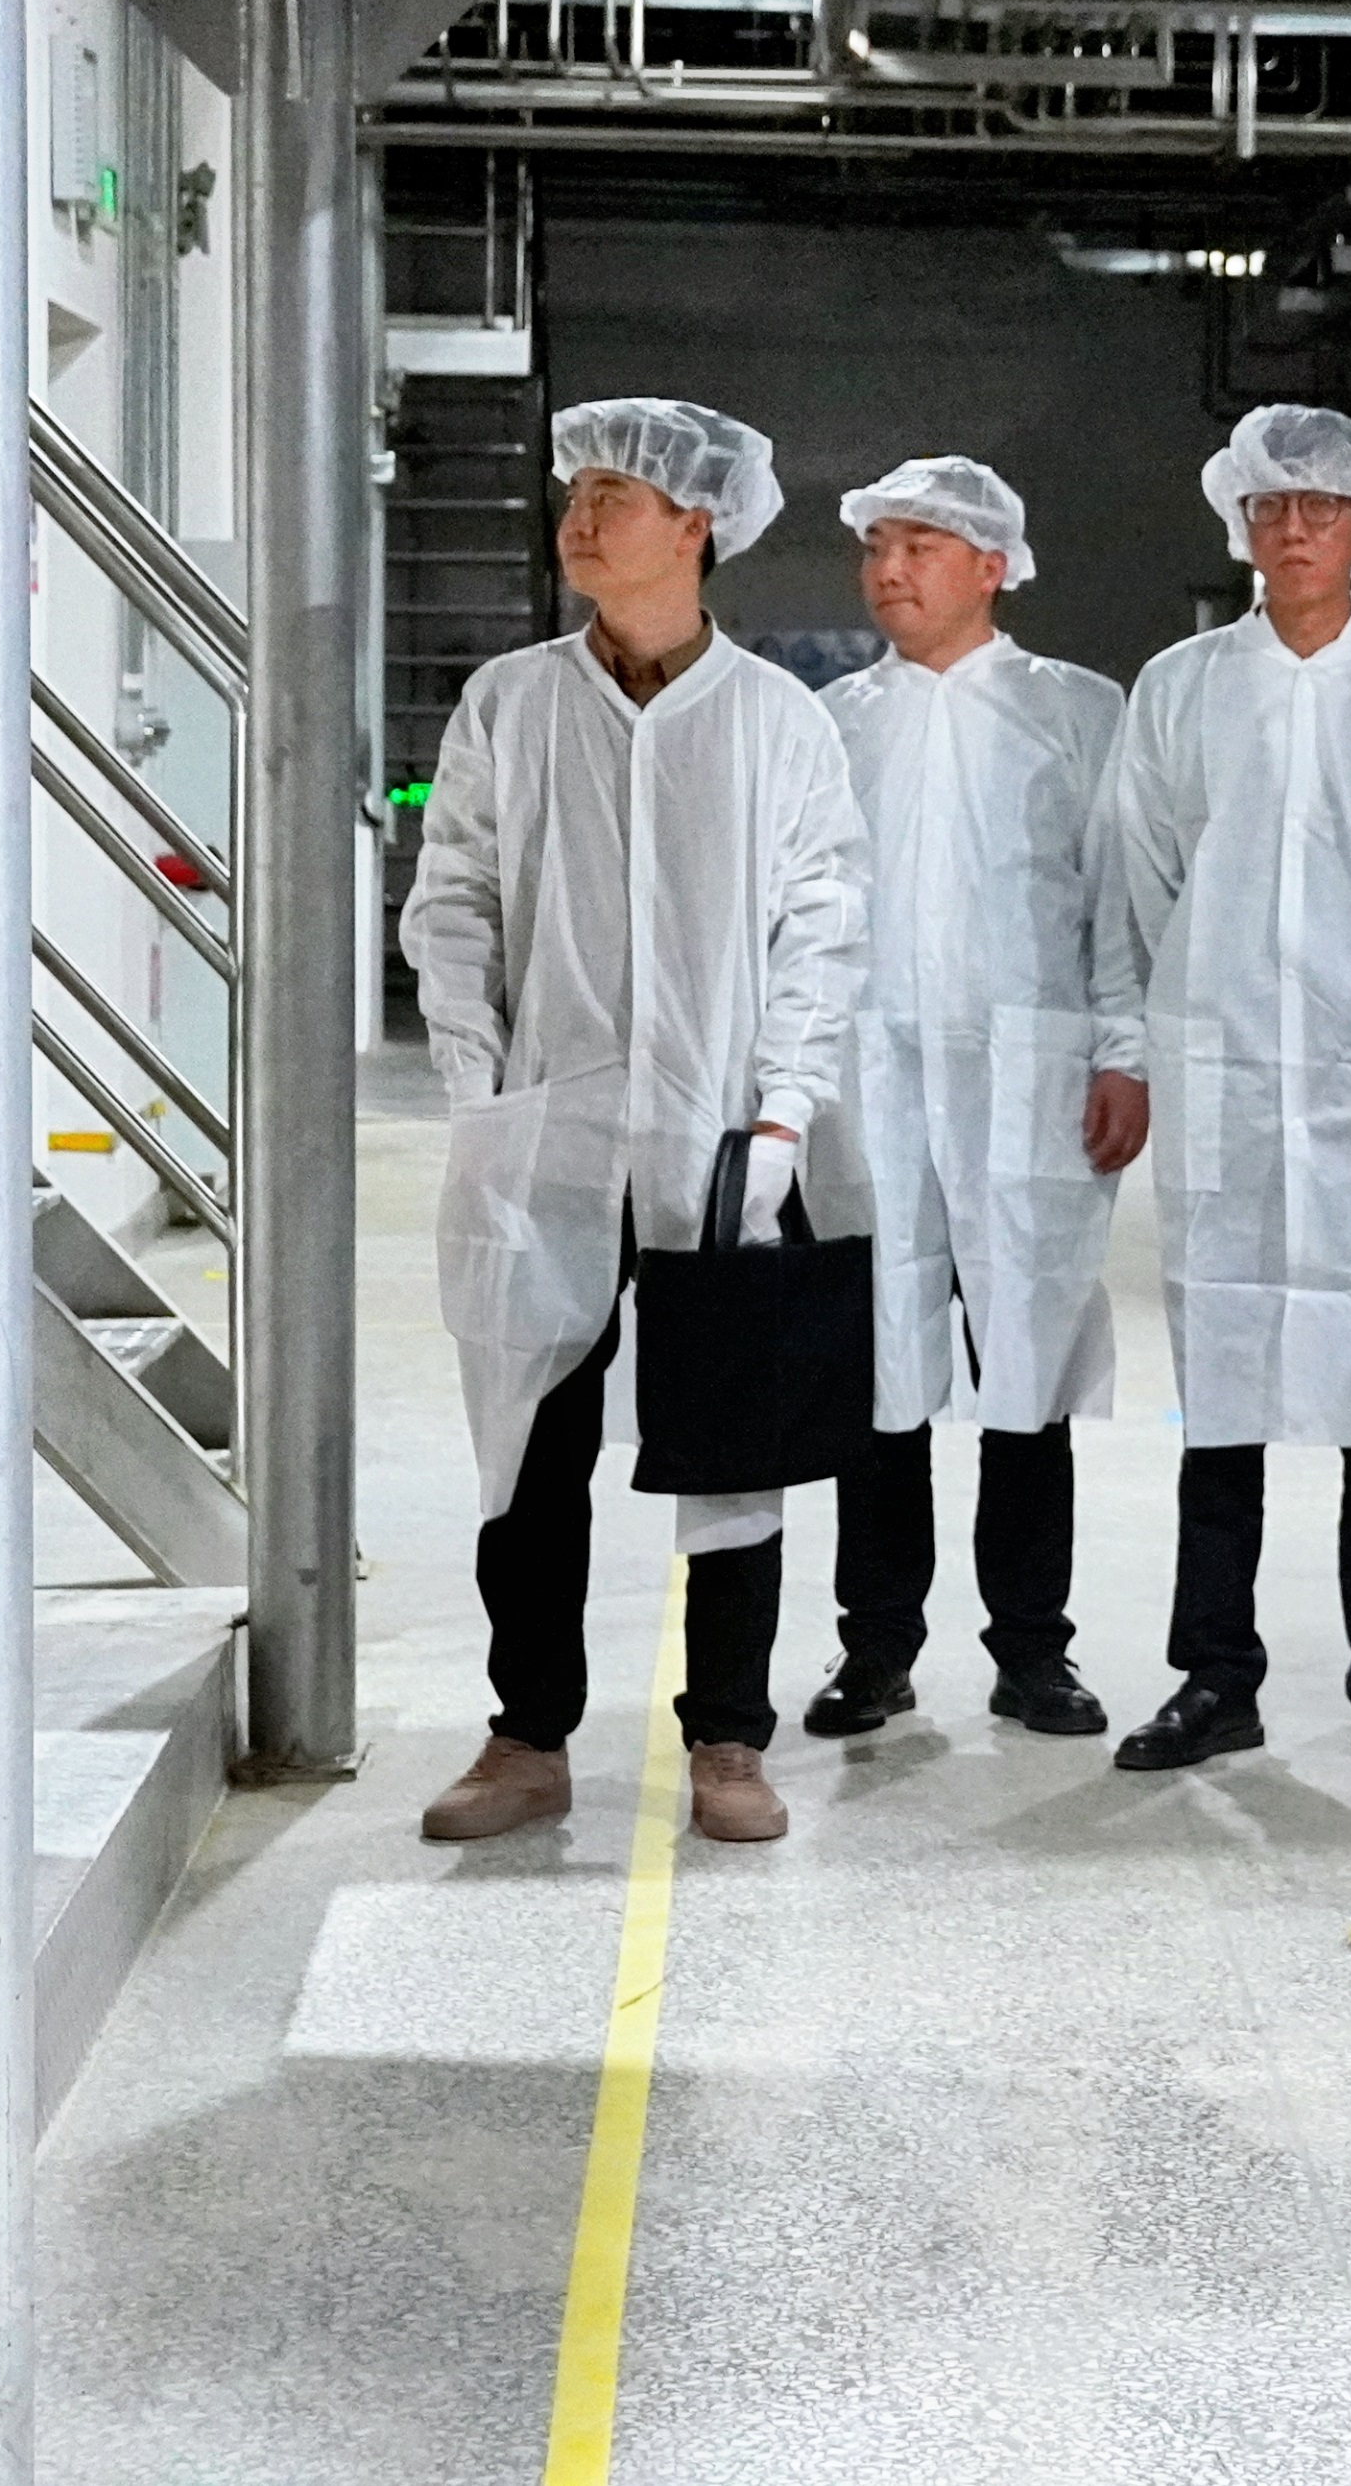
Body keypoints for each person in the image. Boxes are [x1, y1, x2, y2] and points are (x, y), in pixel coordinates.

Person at [405, 398, 863, 1850]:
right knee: (529, 1442)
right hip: (546, 1133)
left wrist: (782, 1110)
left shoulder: (776, 720)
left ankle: (728, 1737)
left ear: (696, 523)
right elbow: (452, 901)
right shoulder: (512, 702)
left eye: (615, 495)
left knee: (732, 1442)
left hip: (719, 1139)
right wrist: (483, 1091)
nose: (581, 518)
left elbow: (820, 926)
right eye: (575, 493)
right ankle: (527, 1733)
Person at [1101, 404, 1351, 1780]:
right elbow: (1142, 879)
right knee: (1219, 1392)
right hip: (1225, 1071)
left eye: (1321, 507)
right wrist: (1145, 1036)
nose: (1293, 529)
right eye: (1270, 506)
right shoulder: (1180, 687)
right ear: (1239, 523)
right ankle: (1215, 1676)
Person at [801, 456, 1138, 1749]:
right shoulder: (836, 721)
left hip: (1027, 1077)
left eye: (920, 547)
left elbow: (1114, 896)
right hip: (871, 1078)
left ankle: (1032, 1650)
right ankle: (875, 1645)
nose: (888, 570)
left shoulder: (1076, 712)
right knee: (877, 1366)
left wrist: (1123, 1053)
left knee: (1025, 1362)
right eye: (876, 547)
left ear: (991, 565)